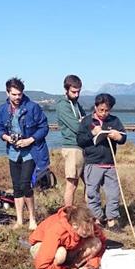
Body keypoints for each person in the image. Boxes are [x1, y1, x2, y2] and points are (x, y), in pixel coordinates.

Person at [0, 77, 49, 230]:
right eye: (14, 95)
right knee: (16, 186)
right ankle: (19, 220)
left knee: (26, 184)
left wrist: (29, 140)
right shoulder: (2, 109)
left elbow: (44, 128)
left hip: (31, 152)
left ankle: (32, 218)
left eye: (19, 94)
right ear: (7, 93)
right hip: (13, 152)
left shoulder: (33, 107)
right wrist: (7, 138)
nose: (17, 97)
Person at [76, 93, 127, 232]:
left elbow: (124, 137)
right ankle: (97, 219)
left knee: (113, 193)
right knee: (92, 193)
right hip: (93, 163)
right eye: (101, 110)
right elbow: (80, 140)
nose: (104, 113)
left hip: (110, 163)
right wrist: (92, 133)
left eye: (107, 110)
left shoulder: (114, 121)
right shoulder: (87, 121)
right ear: (95, 107)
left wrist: (118, 137)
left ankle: (111, 220)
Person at [29, 205, 106, 269]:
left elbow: (102, 246)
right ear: (75, 225)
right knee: (61, 254)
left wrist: (89, 267)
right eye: (86, 231)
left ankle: (73, 268)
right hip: (41, 246)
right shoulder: (57, 229)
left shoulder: (88, 224)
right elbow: (41, 264)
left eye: (91, 229)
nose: (90, 232)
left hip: (68, 247)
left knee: (96, 243)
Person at [54, 74, 86, 206]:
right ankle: (68, 216)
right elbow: (77, 127)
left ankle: (90, 215)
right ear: (66, 90)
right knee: (72, 184)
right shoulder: (63, 105)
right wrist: (83, 123)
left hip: (83, 147)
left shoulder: (76, 104)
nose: (76, 94)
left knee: (90, 183)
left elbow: (86, 121)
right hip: (72, 147)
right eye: (74, 91)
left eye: (78, 91)